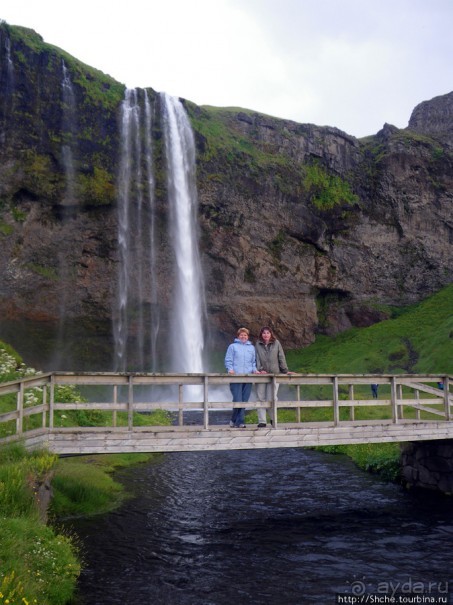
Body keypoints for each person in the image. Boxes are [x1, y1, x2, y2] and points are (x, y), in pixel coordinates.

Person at [255, 326, 289, 428]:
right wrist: (260, 369)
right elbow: (256, 359)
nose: (266, 335)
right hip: (261, 375)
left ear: (271, 334)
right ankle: (262, 421)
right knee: (260, 397)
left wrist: (285, 370)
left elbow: (281, 356)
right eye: (264, 333)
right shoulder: (257, 344)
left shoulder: (276, 343)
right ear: (261, 334)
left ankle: (273, 419)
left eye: (268, 333)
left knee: (272, 397)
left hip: (274, 374)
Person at [225, 327, 257, 428]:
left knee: (244, 400)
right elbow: (228, 359)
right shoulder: (232, 346)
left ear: (248, 337)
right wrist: (230, 369)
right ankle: (241, 422)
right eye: (241, 335)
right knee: (237, 399)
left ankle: (234, 420)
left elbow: (253, 362)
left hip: (248, 377)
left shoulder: (251, 348)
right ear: (238, 336)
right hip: (236, 376)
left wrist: (254, 370)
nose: (243, 336)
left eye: (245, 335)